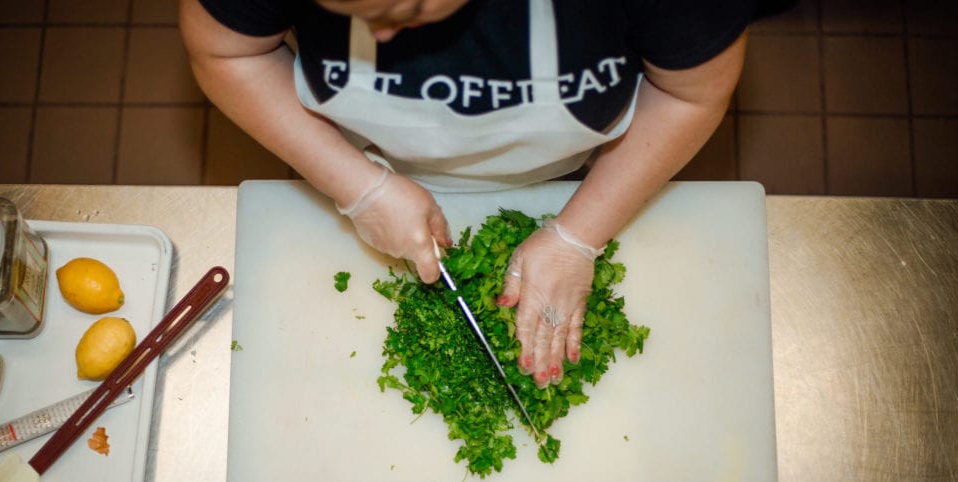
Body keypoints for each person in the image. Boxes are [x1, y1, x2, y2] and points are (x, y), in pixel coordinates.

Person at [179, 0, 792, 388]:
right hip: (360, 157)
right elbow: (225, 50)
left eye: (406, 8)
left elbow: (691, 93)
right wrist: (358, 185)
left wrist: (578, 233)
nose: (383, 35)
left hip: (586, 173)